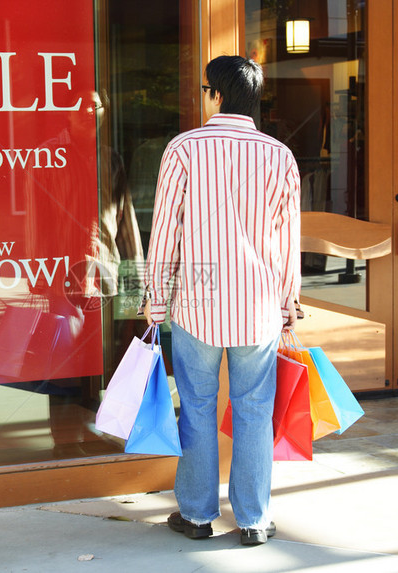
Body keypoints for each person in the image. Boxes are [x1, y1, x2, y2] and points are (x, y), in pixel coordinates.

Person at [143, 55, 301, 546]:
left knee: (196, 405)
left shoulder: (184, 148)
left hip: (198, 298)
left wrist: (155, 300)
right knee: (255, 408)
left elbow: (166, 230)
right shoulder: (280, 155)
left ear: (214, 94)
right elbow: (288, 239)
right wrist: (288, 304)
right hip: (258, 304)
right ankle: (253, 520)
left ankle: (196, 515)